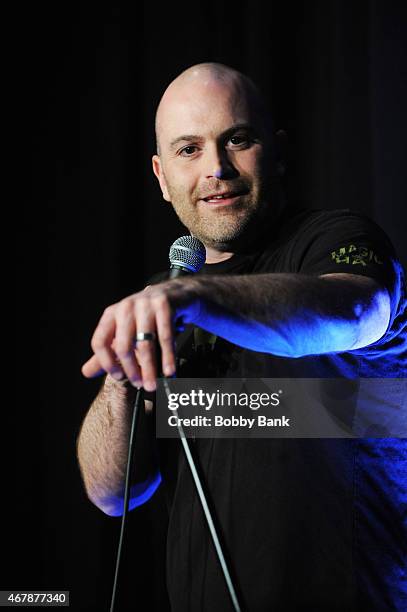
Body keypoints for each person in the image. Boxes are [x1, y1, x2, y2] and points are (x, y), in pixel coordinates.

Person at [77, 63, 406, 610]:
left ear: (276, 152)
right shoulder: (167, 299)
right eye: (189, 150)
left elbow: (358, 311)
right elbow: (114, 495)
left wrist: (197, 300)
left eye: (238, 139)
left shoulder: (336, 239)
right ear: (161, 177)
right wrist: (121, 382)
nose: (216, 169)